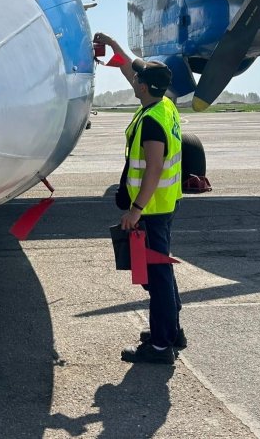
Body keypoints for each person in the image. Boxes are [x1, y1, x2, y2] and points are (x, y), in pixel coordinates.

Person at [93, 32, 185, 365]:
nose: (134, 78)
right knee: (159, 272)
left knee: (156, 277)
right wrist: (113, 45)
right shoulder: (164, 104)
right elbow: (129, 67)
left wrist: (135, 210)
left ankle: (161, 346)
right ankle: (173, 330)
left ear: (143, 87)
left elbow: (155, 168)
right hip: (165, 205)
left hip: (152, 209)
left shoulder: (151, 124)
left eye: (138, 78)